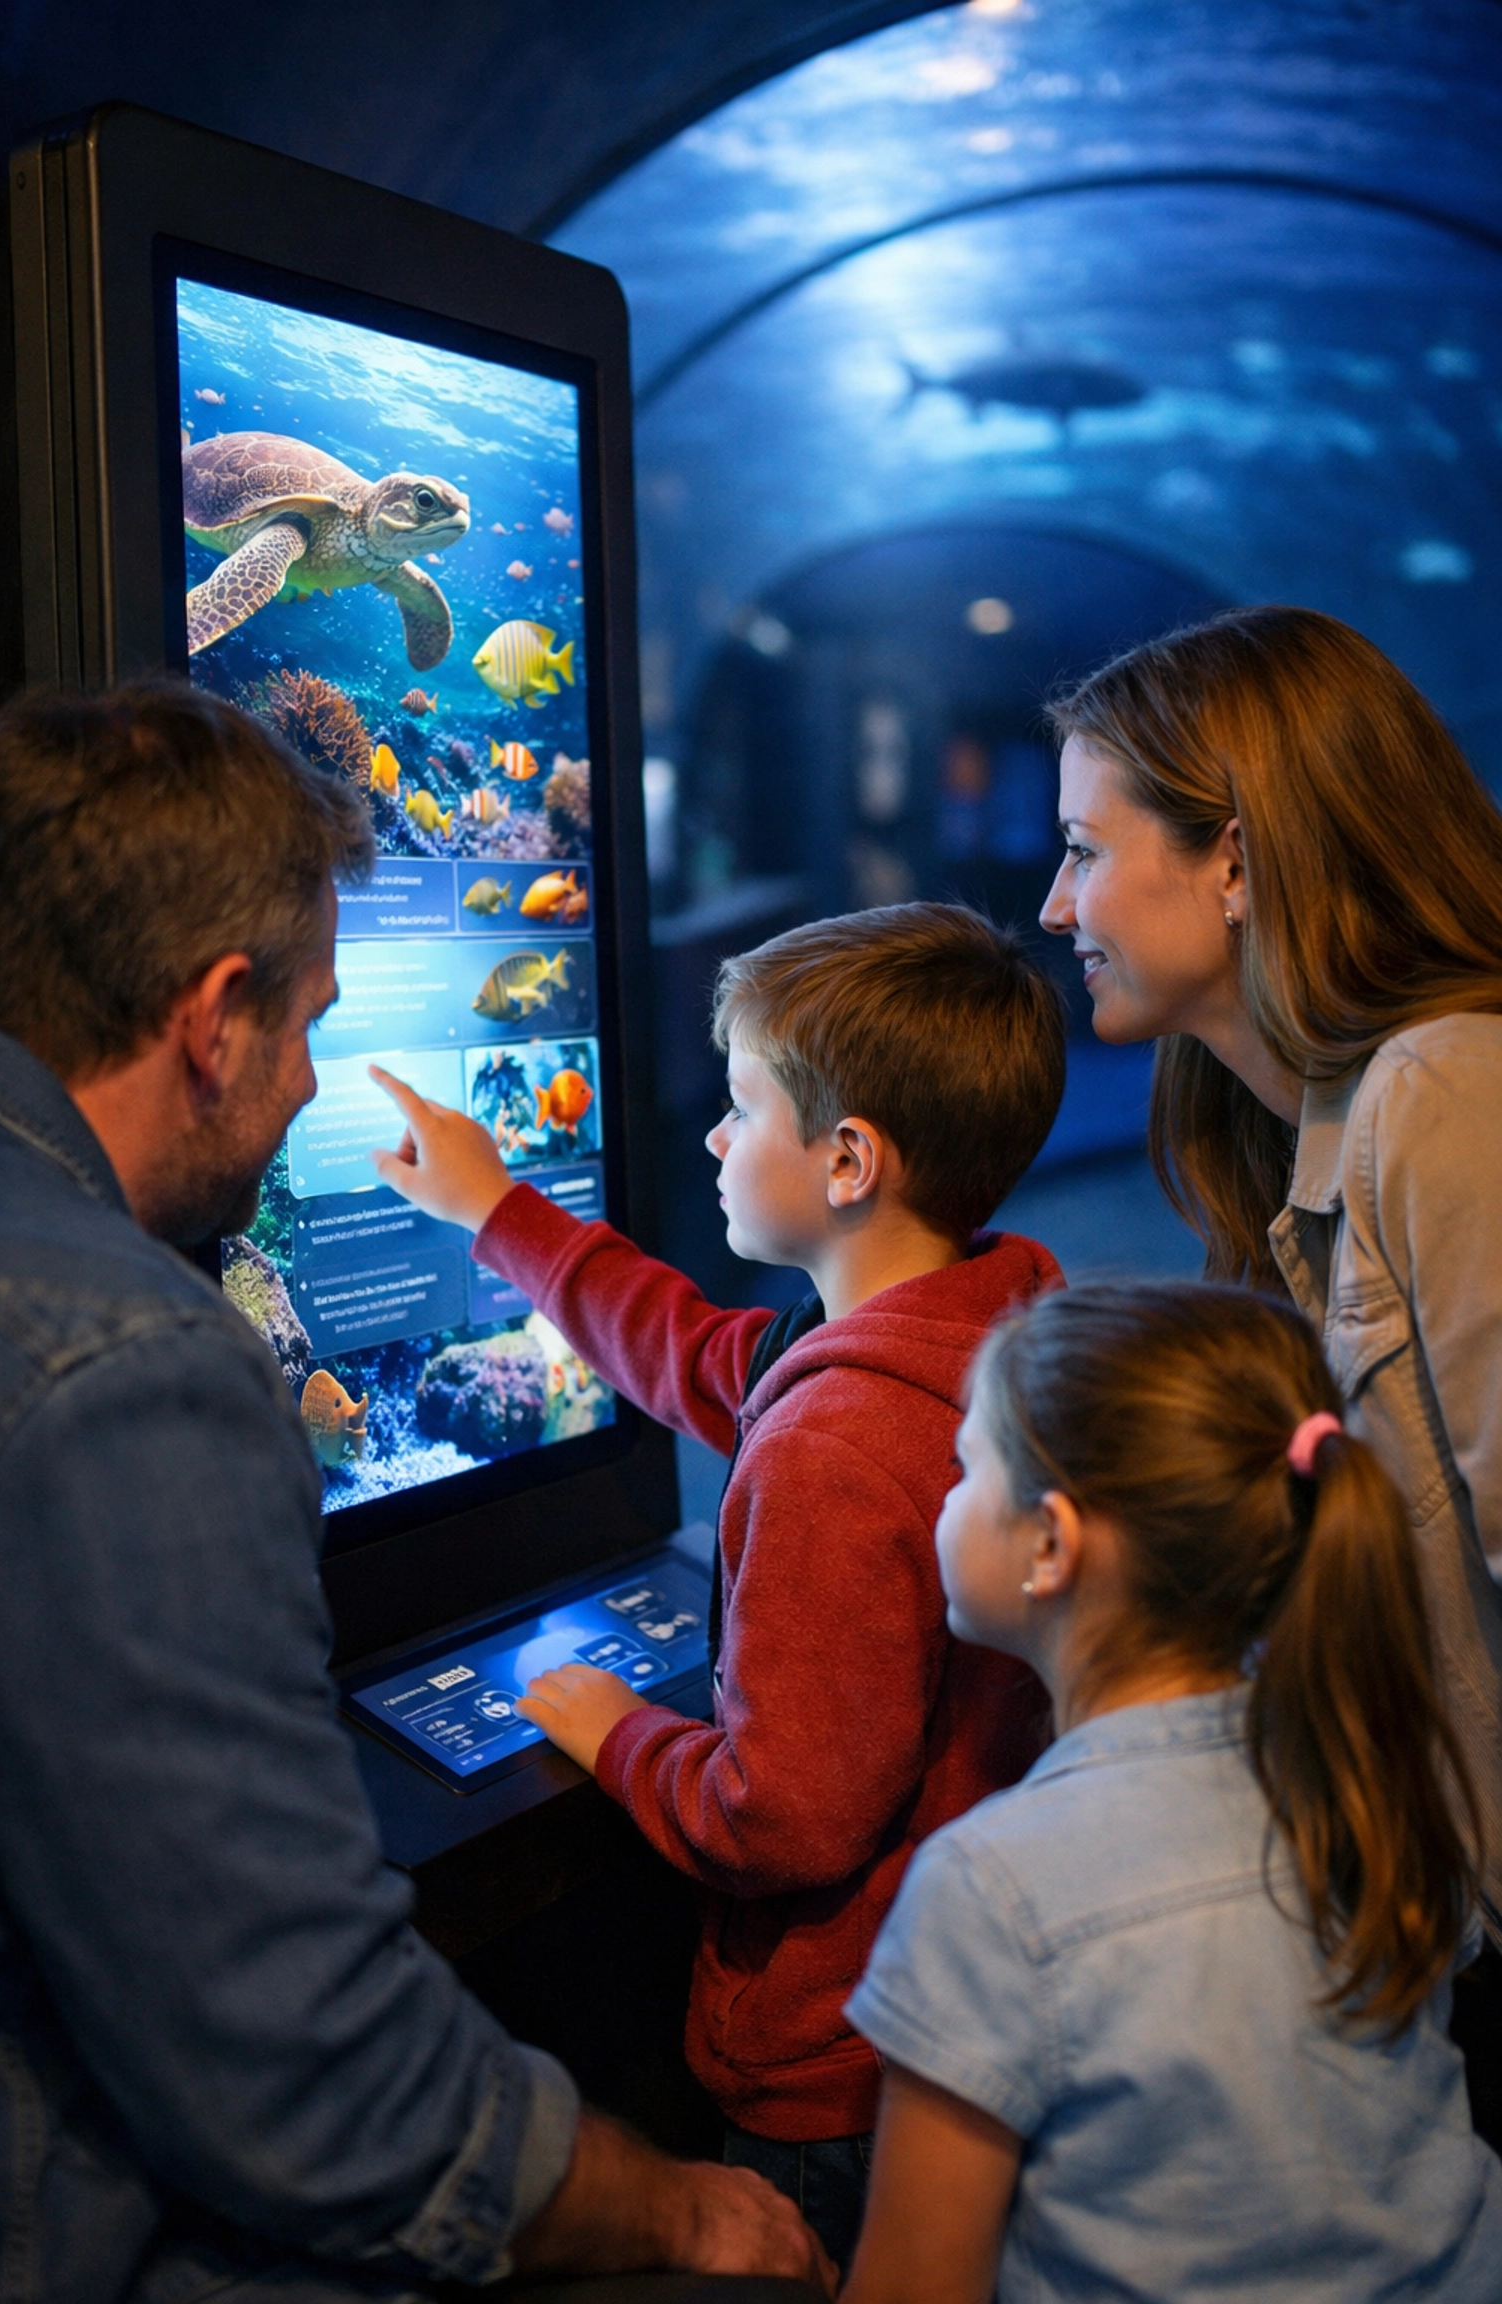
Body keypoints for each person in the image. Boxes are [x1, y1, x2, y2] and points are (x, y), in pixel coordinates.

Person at [0, 680, 829, 2304]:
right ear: (213, 1012)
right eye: (303, 1024)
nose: (304, 1081)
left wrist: (503, 1208)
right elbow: (307, 2067)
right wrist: (679, 2211)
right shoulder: (126, 1367)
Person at [370, 902, 1066, 2270]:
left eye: (740, 1109)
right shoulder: (985, 1323)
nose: (710, 1137)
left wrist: (609, 1727)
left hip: (838, 2077)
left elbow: (782, 1821)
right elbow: (696, 1354)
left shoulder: (834, 1449)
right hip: (968, 2013)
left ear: (849, 1160)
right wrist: (498, 1212)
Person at [1037, 604, 1502, 2140]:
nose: (1054, 906)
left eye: (1085, 850)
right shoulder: (1288, 1137)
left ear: (1232, 860)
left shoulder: (1442, 1091)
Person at [842, 1282, 1502, 2304]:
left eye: (966, 1469)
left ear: (1052, 1544)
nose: (945, 1495)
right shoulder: (1372, 1776)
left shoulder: (989, 1890)